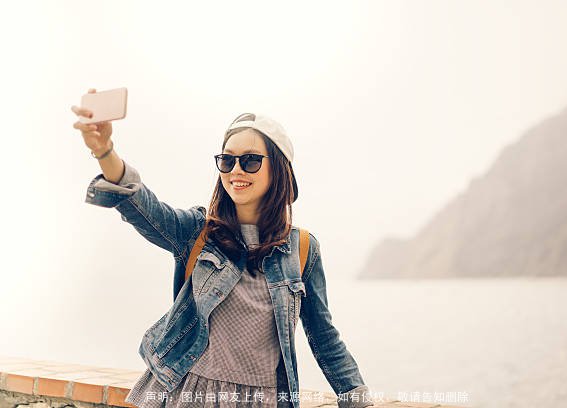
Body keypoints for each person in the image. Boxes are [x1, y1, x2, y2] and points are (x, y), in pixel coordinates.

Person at [71, 88, 374, 408]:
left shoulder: (301, 249)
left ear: (280, 169)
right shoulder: (197, 233)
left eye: (251, 160)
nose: (236, 170)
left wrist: (356, 397)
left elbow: (323, 336)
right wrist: (105, 151)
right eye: (227, 161)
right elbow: (143, 207)